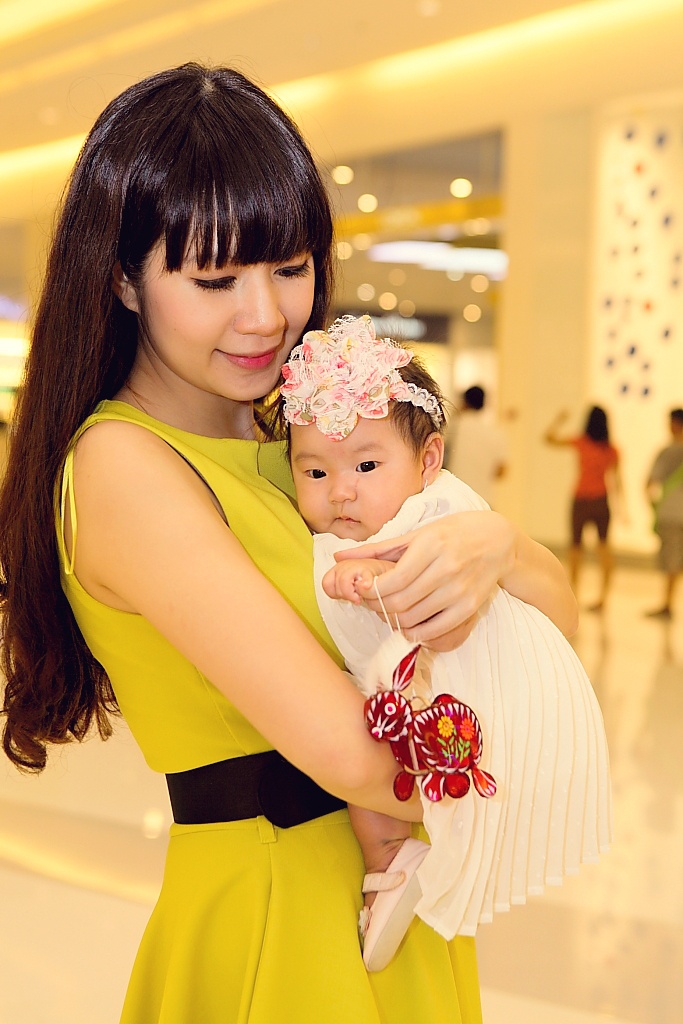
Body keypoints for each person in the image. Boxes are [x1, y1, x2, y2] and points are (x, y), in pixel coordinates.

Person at [0, 64, 578, 1023]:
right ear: (122, 278)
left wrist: (500, 548)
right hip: (282, 914)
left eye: (290, 267)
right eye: (214, 279)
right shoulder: (122, 466)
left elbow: (555, 634)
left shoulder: (306, 442)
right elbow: (354, 756)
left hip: (398, 903)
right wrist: (538, 747)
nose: (265, 315)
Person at [280, 314, 610, 972]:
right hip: (435, 694)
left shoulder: (425, 515)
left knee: (377, 736)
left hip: (468, 687)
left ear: (428, 460)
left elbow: (444, 617)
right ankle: (392, 860)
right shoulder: (372, 513)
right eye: (313, 472)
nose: (339, 490)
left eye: (366, 465)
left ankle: (391, 860)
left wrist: (367, 579)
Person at [544, 406, 622, 611]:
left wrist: (559, 419)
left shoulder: (582, 442)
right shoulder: (611, 450)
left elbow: (548, 438)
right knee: (603, 548)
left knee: (576, 548)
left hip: (581, 500)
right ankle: (603, 597)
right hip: (601, 501)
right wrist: (622, 508)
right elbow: (618, 480)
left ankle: (574, 594)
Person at [644, 408, 683, 620]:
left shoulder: (668, 451)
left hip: (671, 512)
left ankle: (667, 603)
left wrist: (653, 506)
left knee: (671, 559)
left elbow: (650, 483)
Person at [446, 385, 508, 507]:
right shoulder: (495, 431)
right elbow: (501, 471)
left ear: (464, 402)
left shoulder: (454, 427)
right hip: (484, 501)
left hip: (455, 498)